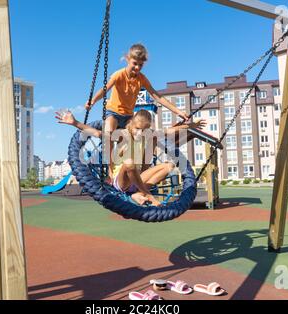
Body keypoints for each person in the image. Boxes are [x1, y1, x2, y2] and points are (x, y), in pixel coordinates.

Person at [56, 109, 205, 206]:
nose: (140, 133)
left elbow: (170, 130)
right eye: (138, 129)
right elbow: (99, 134)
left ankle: (138, 194)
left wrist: (191, 125)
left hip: (139, 180)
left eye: (144, 130)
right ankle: (146, 194)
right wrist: (75, 122)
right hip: (122, 181)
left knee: (169, 166)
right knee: (129, 162)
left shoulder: (148, 135)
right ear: (131, 124)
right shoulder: (122, 135)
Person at [85, 43, 190, 130]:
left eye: (140, 65)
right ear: (127, 59)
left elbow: (158, 97)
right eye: (134, 63)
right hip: (113, 112)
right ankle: (109, 153)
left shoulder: (142, 79)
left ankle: (129, 155)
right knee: (109, 134)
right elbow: (104, 90)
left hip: (128, 116)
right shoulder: (119, 75)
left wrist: (178, 112)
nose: (137, 67)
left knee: (133, 136)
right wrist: (93, 101)